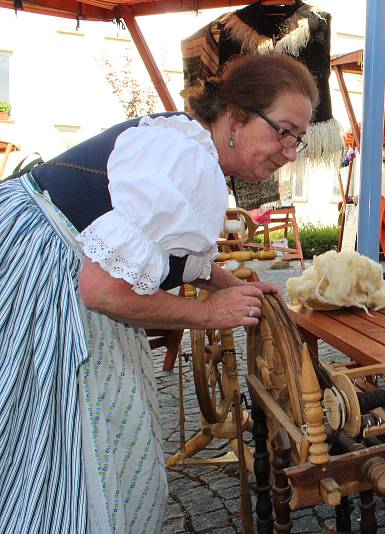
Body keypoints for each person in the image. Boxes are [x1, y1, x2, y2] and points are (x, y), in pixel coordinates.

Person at [0, 53, 318, 533]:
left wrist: (222, 280)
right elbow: (103, 289)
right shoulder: (187, 157)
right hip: (43, 278)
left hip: (49, 262)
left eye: (299, 138)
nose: (290, 151)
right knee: (70, 455)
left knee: (113, 445)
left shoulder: (185, 143)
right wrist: (210, 313)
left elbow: (160, 246)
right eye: (283, 131)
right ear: (236, 117)